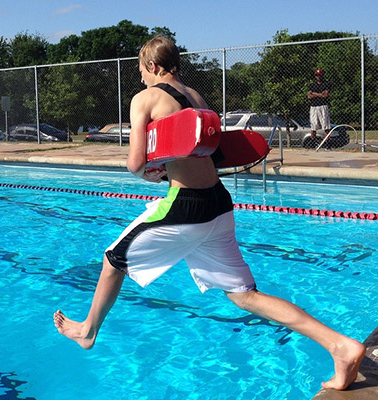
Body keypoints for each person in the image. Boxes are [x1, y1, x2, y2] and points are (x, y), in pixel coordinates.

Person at [53, 36, 365, 391]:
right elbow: (204, 153)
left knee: (113, 261)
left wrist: (148, 173)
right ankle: (339, 346)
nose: (140, 79)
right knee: (245, 295)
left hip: (186, 206)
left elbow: (135, 163)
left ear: (152, 67)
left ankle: (87, 331)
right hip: (218, 203)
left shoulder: (145, 98)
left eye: (141, 71)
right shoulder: (198, 99)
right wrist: (166, 168)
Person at [307, 68, 331, 139]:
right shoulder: (312, 85)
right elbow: (309, 96)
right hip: (314, 106)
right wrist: (320, 94)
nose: (318, 77)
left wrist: (314, 94)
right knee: (313, 126)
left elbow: (325, 95)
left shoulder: (326, 84)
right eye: (317, 75)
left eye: (320, 75)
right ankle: (313, 142)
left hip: (323, 106)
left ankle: (327, 143)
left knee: (325, 125)